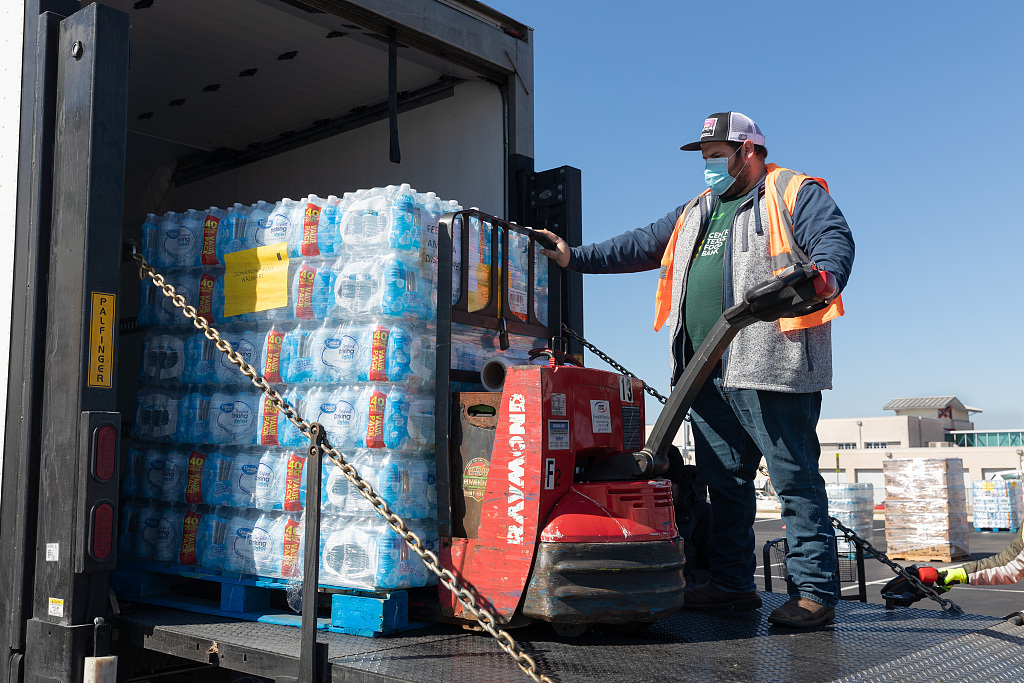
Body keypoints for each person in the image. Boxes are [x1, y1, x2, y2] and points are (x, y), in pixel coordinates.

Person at [539, 112, 855, 628]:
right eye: (704, 156)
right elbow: (640, 244)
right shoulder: (698, 210)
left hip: (770, 364)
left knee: (793, 479)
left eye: (716, 155)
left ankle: (814, 593)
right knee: (723, 481)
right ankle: (733, 584)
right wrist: (573, 256)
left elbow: (834, 241)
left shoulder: (792, 191)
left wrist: (823, 278)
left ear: (747, 151)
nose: (708, 166)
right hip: (703, 369)